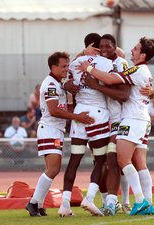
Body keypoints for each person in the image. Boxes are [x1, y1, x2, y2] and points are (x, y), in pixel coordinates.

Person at [77, 37, 154, 215]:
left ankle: (140, 201)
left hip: (132, 118)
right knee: (139, 163)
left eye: (136, 49)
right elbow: (117, 53)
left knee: (122, 160)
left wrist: (88, 68)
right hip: (142, 118)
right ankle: (148, 203)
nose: (132, 51)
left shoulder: (136, 69)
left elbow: (111, 79)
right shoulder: (144, 70)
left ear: (143, 54)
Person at [26, 52, 94, 217]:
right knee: (54, 169)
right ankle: (33, 203)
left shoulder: (58, 83)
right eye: (63, 66)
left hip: (54, 130)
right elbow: (54, 110)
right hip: (50, 129)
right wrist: (78, 117)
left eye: (67, 66)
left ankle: (39, 205)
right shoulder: (50, 84)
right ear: (53, 67)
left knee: (51, 169)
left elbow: (63, 107)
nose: (66, 69)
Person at [59, 33, 113, 217]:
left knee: (74, 160)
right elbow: (112, 84)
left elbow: (66, 82)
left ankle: (64, 204)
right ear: (99, 45)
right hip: (97, 113)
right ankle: (89, 198)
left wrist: (83, 52)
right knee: (100, 160)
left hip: (78, 114)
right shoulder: (107, 63)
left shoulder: (75, 62)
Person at [82, 34, 131, 215]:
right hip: (102, 119)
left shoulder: (120, 64)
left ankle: (118, 201)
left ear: (115, 47)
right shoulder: (97, 63)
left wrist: (97, 86)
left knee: (114, 160)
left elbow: (123, 94)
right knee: (101, 161)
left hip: (121, 118)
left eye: (108, 46)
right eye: (100, 47)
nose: (104, 49)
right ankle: (113, 201)